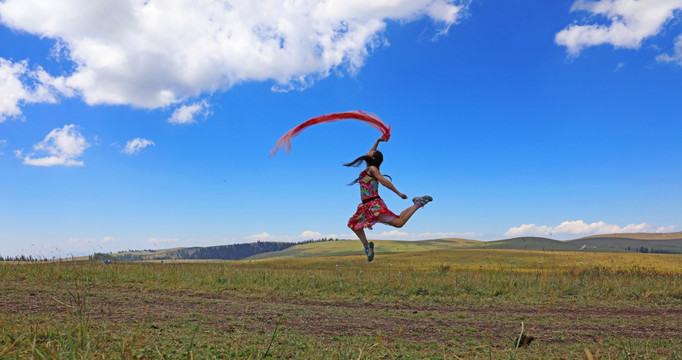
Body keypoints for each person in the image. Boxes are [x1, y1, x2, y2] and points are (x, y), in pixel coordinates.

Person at [345, 137, 432, 262]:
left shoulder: (372, 169)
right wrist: (378, 141)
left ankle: (418, 204)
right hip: (366, 206)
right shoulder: (369, 167)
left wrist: (398, 193)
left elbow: (384, 181)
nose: (367, 153)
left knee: (399, 223)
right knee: (353, 225)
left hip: (373, 205)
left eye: (370, 153)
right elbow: (372, 151)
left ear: (373, 158)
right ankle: (367, 247)